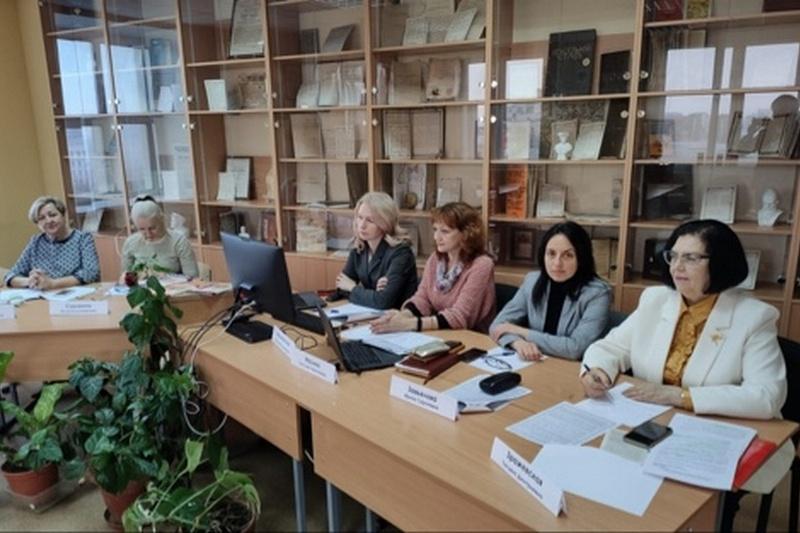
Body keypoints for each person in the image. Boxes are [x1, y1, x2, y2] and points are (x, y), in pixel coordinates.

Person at [581, 219, 790, 495]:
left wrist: (679, 396)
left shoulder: (754, 317)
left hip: (716, 435)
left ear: (720, 263)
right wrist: (596, 370)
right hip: (655, 425)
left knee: (673, 498)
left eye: (691, 258)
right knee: (606, 475)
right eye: (673, 256)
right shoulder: (655, 299)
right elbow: (610, 348)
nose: (677, 267)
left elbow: (766, 396)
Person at [489, 221, 610, 361]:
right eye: (551, 254)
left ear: (581, 258)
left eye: (568, 255)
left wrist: (521, 332)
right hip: (535, 362)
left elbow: (574, 349)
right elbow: (498, 325)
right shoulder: (532, 281)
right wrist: (517, 342)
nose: (557, 263)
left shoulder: (597, 293)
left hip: (571, 368)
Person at [371, 202, 495, 333]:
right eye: (435, 230)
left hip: (472, 337)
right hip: (440, 333)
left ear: (466, 234)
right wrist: (402, 316)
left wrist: (408, 324)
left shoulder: (482, 265)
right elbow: (422, 298)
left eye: (445, 231)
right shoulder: (435, 259)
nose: (436, 237)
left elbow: (459, 317)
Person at [335, 192, 418, 309]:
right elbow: (342, 287)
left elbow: (383, 302)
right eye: (360, 217)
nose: (362, 225)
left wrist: (353, 288)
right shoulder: (360, 247)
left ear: (385, 222)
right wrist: (372, 295)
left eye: (370, 220)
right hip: (369, 313)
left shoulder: (401, 253)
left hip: (398, 316)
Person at [5, 196, 100, 289]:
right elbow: (11, 275)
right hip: (43, 295)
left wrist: (53, 284)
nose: (49, 221)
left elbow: (91, 272)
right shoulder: (35, 242)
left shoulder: (83, 239)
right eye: (41, 218)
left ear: (63, 215)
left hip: (76, 295)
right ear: (37, 224)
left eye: (53, 215)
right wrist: (31, 281)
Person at [120, 196, 198, 280]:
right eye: (142, 229)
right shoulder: (131, 243)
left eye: (152, 228)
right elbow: (125, 277)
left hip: (173, 287)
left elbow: (192, 278)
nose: (148, 234)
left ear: (162, 220)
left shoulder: (179, 242)